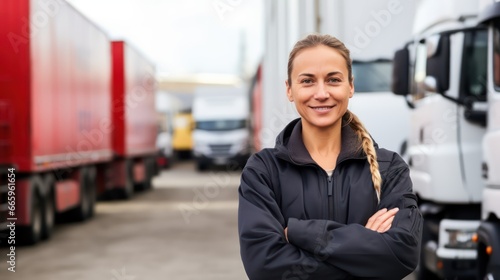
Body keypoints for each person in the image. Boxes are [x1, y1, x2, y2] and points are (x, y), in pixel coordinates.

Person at [238, 34, 422, 280]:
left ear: (351, 86)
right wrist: (365, 248)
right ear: (290, 90)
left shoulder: (389, 168)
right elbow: (264, 266)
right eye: (308, 81)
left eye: (333, 80)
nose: (322, 93)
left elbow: (402, 253)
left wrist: (299, 233)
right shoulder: (263, 171)